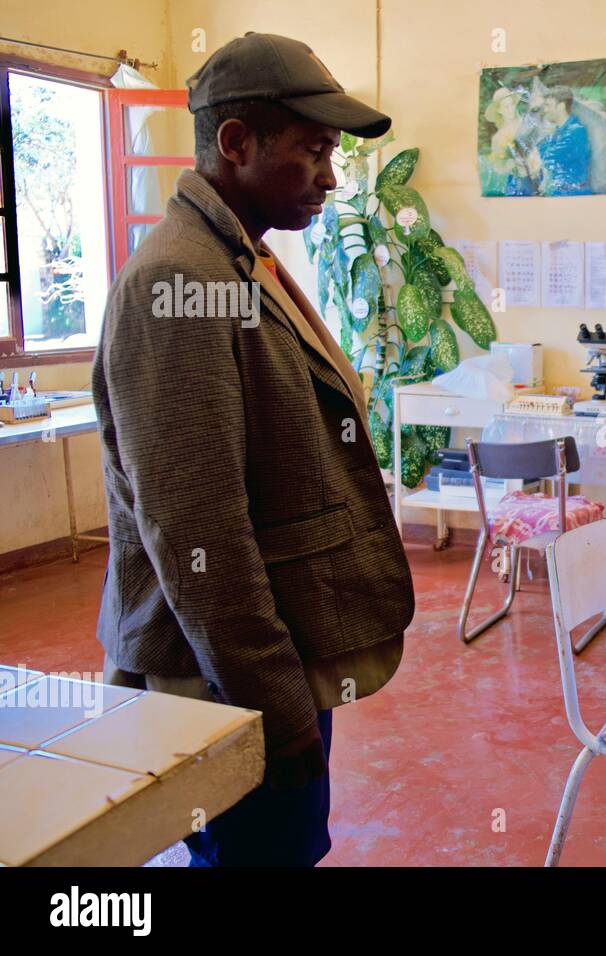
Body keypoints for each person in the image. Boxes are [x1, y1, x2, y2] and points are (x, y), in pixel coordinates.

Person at [92, 32, 413, 866]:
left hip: (269, 652)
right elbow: (198, 536)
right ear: (236, 143)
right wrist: (275, 703)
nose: (332, 178)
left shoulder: (239, 258)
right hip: (224, 673)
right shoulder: (177, 282)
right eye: (314, 151)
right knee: (257, 857)